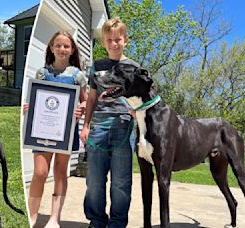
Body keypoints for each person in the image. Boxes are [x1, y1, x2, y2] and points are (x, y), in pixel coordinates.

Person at [80, 18, 140, 228]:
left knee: (121, 182)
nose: (114, 43)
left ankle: (117, 223)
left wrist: (138, 113)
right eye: (109, 40)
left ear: (126, 40)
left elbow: (142, 97)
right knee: (94, 181)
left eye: (118, 39)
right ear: (103, 42)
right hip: (98, 128)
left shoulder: (134, 67)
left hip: (124, 127)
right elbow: (92, 98)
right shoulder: (97, 66)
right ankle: (96, 221)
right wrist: (85, 126)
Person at [24, 31, 87, 228]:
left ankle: (54, 218)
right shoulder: (43, 73)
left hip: (65, 133)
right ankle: (32, 215)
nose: (62, 49)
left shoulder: (78, 76)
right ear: (51, 48)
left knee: (60, 172)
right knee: (40, 172)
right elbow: (36, 99)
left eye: (66, 46)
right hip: (42, 132)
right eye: (58, 45)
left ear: (72, 50)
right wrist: (29, 106)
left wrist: (81, 108)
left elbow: (86, 102)